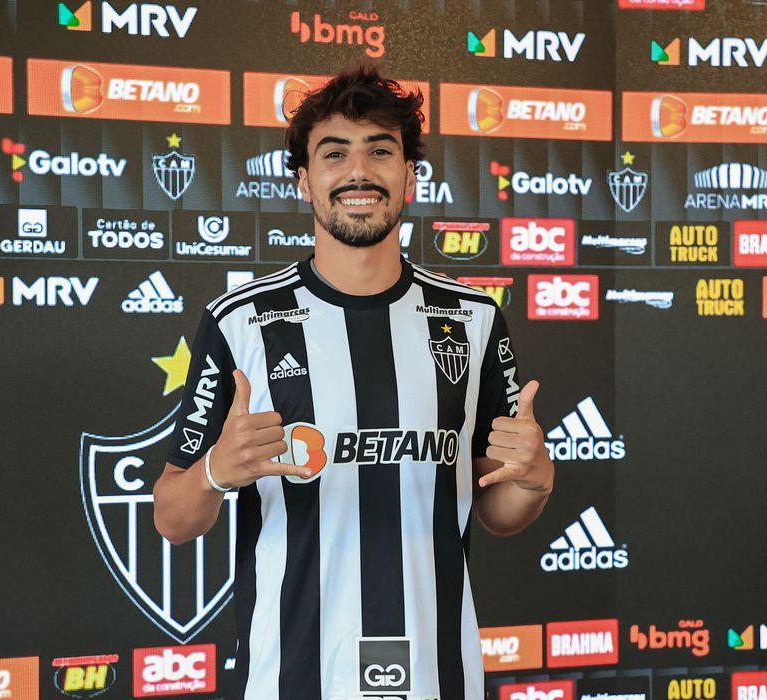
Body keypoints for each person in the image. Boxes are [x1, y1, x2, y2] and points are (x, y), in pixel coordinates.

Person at [152, 62, 556, 700]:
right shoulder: (242, 324)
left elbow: (498, 510)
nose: (359, 171)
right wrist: (213, 474)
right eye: (334, 153)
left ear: (409, 178)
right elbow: (173, 520)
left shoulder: (473, 321)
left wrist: (534, 483)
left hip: (438, 676)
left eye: (381, 151)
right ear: (304, 181)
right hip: (290, 678)